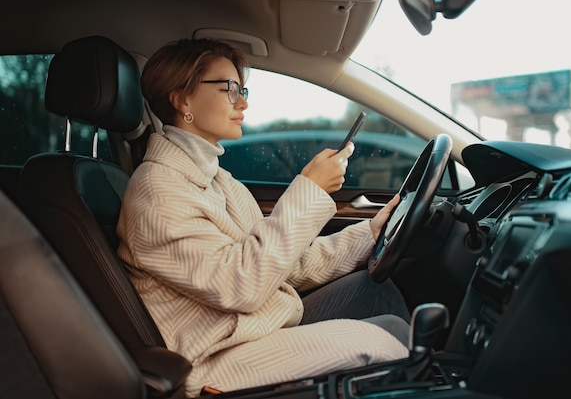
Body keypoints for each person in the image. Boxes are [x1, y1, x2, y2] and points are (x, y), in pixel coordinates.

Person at [116, 38, 411, 395]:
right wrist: (310, 189)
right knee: (389, 346)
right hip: (216, 355)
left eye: (242, 89)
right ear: (183, 99)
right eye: (229, 88)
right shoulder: (158, 190)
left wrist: (369, 233)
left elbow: (281, 263)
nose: (243, 101)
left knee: (379, 300)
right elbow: (242, 284)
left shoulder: (219, 179)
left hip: (255, 325)